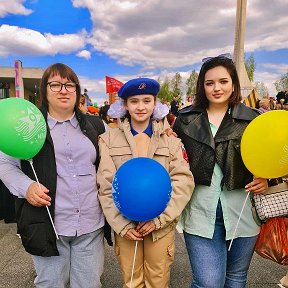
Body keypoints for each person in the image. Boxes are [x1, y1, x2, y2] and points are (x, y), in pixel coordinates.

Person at [0, 63, 111, 288]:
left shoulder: (97, 126)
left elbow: (115, 159)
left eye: (69, 84)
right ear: (44, 90)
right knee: (50, 283)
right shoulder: (27, 126)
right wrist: (26, 187)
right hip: (49, 224)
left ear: (77, 91)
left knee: (89, 284)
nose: (63, 90)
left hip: (91, 224)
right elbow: (5, 163)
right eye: (56, 84)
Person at [173, 54, 268, 288]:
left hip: (243, 211)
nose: (217, 88)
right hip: (199, 211)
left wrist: (267, 179)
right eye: (210, 82)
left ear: (233, 83)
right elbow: (171, 161)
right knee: (208, 282)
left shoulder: (253, 120)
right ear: (201, 86)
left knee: (236, 280)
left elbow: (271, 158)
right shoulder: (185, 120)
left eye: (223, 81)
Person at [97, 77, 194, 288]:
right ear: (124, 105)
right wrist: (121, 226)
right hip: (127, 227)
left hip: (160, 228)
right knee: (132, 282)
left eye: (147, 100)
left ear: (155, 104)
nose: (141, 107)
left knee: (158, 281)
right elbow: (105, 187)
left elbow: (183, 183)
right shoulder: (108, 140)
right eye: (134, 101)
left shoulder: (171, 141)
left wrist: (160, 220)